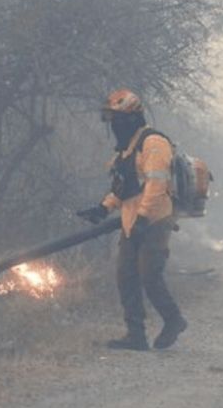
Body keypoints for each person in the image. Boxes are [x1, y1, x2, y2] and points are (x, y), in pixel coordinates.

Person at [76, 88, 187, 351]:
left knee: (149, 274)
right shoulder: (126, 149)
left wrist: (143, 218)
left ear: (130, 119)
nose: (113, 125)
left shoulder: (153, 144)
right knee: (125, 276)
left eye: (116, 119)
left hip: (155, 219)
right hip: (131, 221)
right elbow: (125, 187)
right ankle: (135, 335)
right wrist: (103, 208)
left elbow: (156, 186)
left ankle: (174, 319)